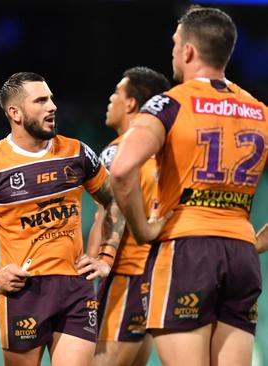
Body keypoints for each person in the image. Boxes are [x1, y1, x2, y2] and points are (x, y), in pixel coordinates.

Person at [110, 6, 267, 365]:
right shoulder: (260, 110)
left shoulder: (168, 104)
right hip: (241, 256)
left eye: (175, 43)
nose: (173, 51)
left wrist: (143, 228)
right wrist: (258, 239)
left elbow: (121, 170)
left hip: (187, 251)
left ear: (188, 51)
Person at [0, 72, 125, 366]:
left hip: (77, 290)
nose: (52, 106)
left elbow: (115, 201)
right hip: (24, 294)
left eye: (51, 98)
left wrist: (106, 256)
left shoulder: (77, 153)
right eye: (41, 100)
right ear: (16, 112)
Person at [86, 67, 170, 366]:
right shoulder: (167, 152)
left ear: (131, 104)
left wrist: (90, 270)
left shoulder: (118, 152)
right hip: (158, 279)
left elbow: (106, 215)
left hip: (125, 276)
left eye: (116, 93)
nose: (110, 100)